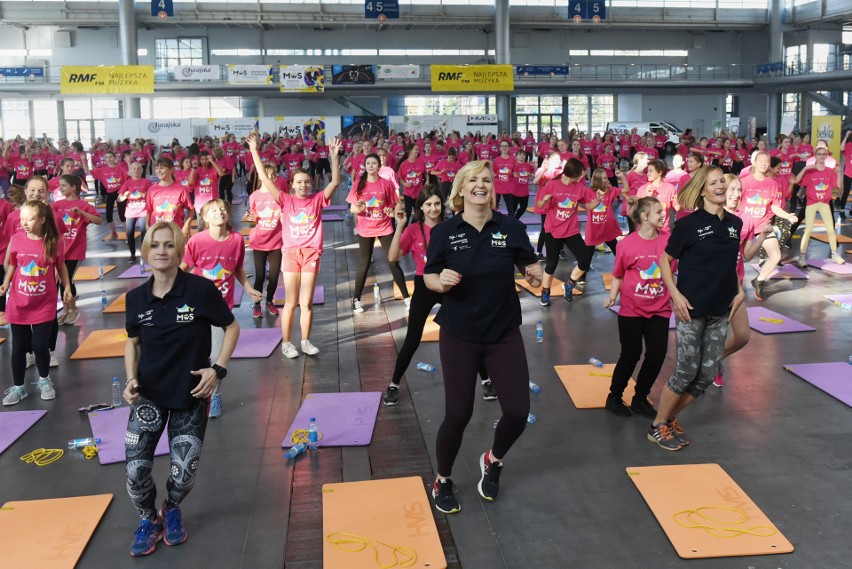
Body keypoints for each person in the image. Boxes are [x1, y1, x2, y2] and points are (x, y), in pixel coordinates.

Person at [423, 160, 543, 513]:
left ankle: (493, 458)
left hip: (502, 332)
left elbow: (528, 265)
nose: (481, 185)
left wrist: (534, 274)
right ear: (460, 189)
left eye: (487, 180)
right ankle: (442, 478)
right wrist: (439, 280)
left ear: (493, 189)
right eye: (473, 180)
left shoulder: (510, 227)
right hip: (459, 333)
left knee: (519, 412)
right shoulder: (445, 231)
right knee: (458, 414)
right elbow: (429, 275)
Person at [123, 221, 239, 556]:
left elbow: (231, 328)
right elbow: (132, 343)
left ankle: (171, 508)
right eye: (155, 245)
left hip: (191, 394)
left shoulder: (200, 291)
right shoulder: (135, 298)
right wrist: (131, 379)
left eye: (168, 245)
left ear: (179, 250)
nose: (161, 251)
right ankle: (149, 519)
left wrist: (218, 368)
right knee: (135, 470)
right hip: (149, 393)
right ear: (146, 252)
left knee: (184, 473)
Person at [651, 166, 745, 451]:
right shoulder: (688, 225)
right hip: (691, 309)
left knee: (705, 375)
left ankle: (668, 419)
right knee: (685, 372)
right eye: (713, 183)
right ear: (702, 189)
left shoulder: (734, 224)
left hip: (721, 309)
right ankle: (657, 426)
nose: (720, 187)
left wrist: (740, 290)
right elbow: (665, 261)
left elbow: (730, 263)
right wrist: (675, 295)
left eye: (722, 182)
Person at [384, 186, 496, 406]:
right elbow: (392, 257)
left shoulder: (451, 227)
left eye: (437, 204)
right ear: (421, 208)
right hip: (424, 284)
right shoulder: (414, 230)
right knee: (412, 338)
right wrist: (399, 226)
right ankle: (394, 384)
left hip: (449, 283)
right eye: (428, 204)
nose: (433, 208)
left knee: (469, 332)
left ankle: (486, 380)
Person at [249, 133, 341, 356]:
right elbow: (264, 176)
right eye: (299, 182)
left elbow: (336, 181)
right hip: (291, 254)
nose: (303, 185)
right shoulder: (285, 199)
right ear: (291, 185)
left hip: (311, 254)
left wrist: (333, 157)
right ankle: (287, 343)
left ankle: (306, 341)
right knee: (290, 303)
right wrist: (254, 150)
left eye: (306, 182)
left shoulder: (317, 199)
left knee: (306, 303)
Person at [181, 200, 261, 418]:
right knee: (194, 354)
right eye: (214, 211)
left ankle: (215, 394)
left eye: (223, 210)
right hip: (195, 308)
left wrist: (248, 288)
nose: (220, 213)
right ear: (205, 218)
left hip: (220, 308)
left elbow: (238, 269)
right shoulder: (196, 241)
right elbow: (183, 269)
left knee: (217, 355)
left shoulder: (236, 240)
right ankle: (191, 391)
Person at [603, 197, 671, 418]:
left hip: (660, 308)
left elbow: (671, 275)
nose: (663, 214)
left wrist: (678, 298)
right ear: (644, 216)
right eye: (658, 211)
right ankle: (614, 397)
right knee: (631, 355)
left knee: (657, 354)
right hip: (631, 310)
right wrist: (612, 297)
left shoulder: (669, 242)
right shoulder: (626, 244)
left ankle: (640, 398)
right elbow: (619, 274)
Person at [1, 200, 72, 405]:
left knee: (39, 345)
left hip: (44, 303)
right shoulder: (16, 239)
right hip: (18, 302)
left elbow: (61, 267)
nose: (24, 223)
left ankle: (44, 380)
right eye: (21, 219)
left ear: (42, 219)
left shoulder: (54, 241)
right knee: (19, 347)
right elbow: (13, 265)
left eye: (29, 219)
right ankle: (19, 387)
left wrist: (67, 287)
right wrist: (5, 283)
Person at [713, 174, 771, 387]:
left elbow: (746, 254)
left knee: (742, 336)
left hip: (734, 286)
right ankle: (707, 366)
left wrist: (762, 236)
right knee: (713, 335)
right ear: (722, 191)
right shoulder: (712, 217)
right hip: (712, 286)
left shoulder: (746, 219)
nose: (736, 194)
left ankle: (715, 359)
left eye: (739, 190)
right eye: (732, 190)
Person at [347, 153, 410, 313]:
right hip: (365, 228)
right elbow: (353, 208)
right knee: (364, 263)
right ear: (365, 166)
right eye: (368, 163)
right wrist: (359, 208)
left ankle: (407, 298)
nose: (370, 166)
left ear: (378, 166)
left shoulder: (387, 183)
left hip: (384, 226)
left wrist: (392, 212)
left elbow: (396, 205)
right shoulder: (358, 184)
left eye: (373, 163)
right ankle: (356, 300)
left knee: (392, 261)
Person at [536, 158, 601, 306]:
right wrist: (545, 200)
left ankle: (569, 285)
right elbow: (539, 204)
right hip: (552, 229)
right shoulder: (551, 185)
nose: (582, 176)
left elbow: (589, 206)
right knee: (552, 264)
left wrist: (598, 200)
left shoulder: (579, 188)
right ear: (574, 174)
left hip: (571, 230)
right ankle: (545, 292)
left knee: (585, 260)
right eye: (581, 174)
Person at [741, 151, 797, 301]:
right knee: (740, 258)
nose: (764, 164)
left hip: (762, 227)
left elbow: (774, 207)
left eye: (766, 162)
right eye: (761, 161)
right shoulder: (744, 182)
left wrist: (787, 216)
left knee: (776, 256)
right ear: (754, 163)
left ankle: (759, 280)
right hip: (744, 226)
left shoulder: (772, 184)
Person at [52, 174, 102, 325]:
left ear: (73, 187)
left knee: (66, 279)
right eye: (60, 186)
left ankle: (72, 309)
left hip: (75, 249)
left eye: (63, 186)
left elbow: (98, 220)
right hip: (60, 249)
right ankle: (66, 309)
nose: (60, 188)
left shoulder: (84, 205)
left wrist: (82, 213)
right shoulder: (57, 205)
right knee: (60, 280)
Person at [793, 147, 845, 267]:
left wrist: (840, 172)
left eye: (824, 154)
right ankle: (802, 257)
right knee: (808, 230)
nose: (821, 156)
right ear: (815, 156)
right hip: (811, 203)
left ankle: (834, 255)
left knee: (831, 229)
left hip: (824, 203)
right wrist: (805, 168)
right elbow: (796, 181)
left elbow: (837, 186)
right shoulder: (810, 170)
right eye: (819, 154)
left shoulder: (829, 171)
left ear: (826, 156)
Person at [117, 162, 151, 263]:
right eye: (134, 169)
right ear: (130, 171)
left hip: (143, 211)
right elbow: (119, 199)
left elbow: (151, 195)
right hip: (130, 212)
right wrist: (125, 196)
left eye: (138, 169)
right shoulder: (127, 183)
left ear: (142, 170)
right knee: (129, 234)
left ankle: (143, 254)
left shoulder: (146, 182)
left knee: (144, 234)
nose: (136, 171)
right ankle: (132, 255)